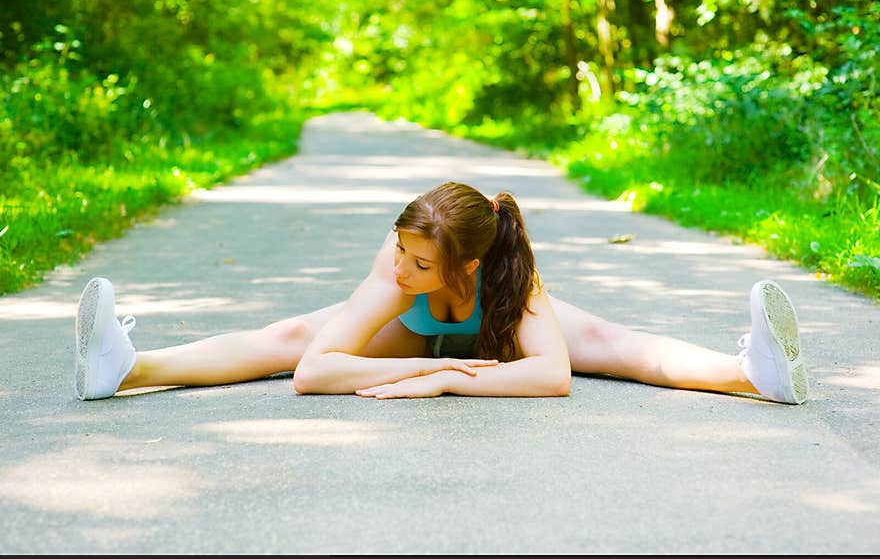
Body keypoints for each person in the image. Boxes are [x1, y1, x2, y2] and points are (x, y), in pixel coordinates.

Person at [73, 181, 808, 404]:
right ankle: (126, 368)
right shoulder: (395, 267)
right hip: (423, 341)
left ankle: (754, 374)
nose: (399, 271)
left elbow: (552, 374)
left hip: (489, 333)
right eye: (400, 249)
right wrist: (424, 370)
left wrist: (450, 385)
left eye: (419, 265)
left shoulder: (509, 272)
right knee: (293, 335)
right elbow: (314, 371)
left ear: (464, 270)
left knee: (614, 346)